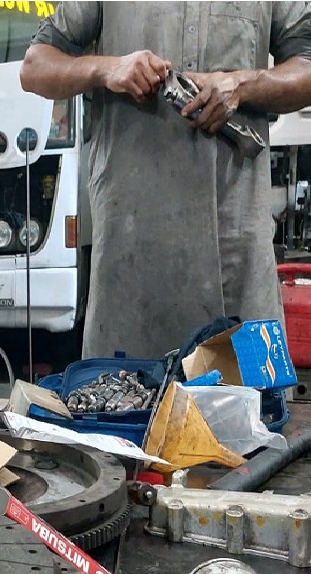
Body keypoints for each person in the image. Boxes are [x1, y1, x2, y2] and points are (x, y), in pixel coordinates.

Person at [20, 2, 311, 359]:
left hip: (236, 253)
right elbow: (34, 67)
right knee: (121, 388)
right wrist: (108, 68)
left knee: (252, 390)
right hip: (131, 258)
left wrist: (242, 85)